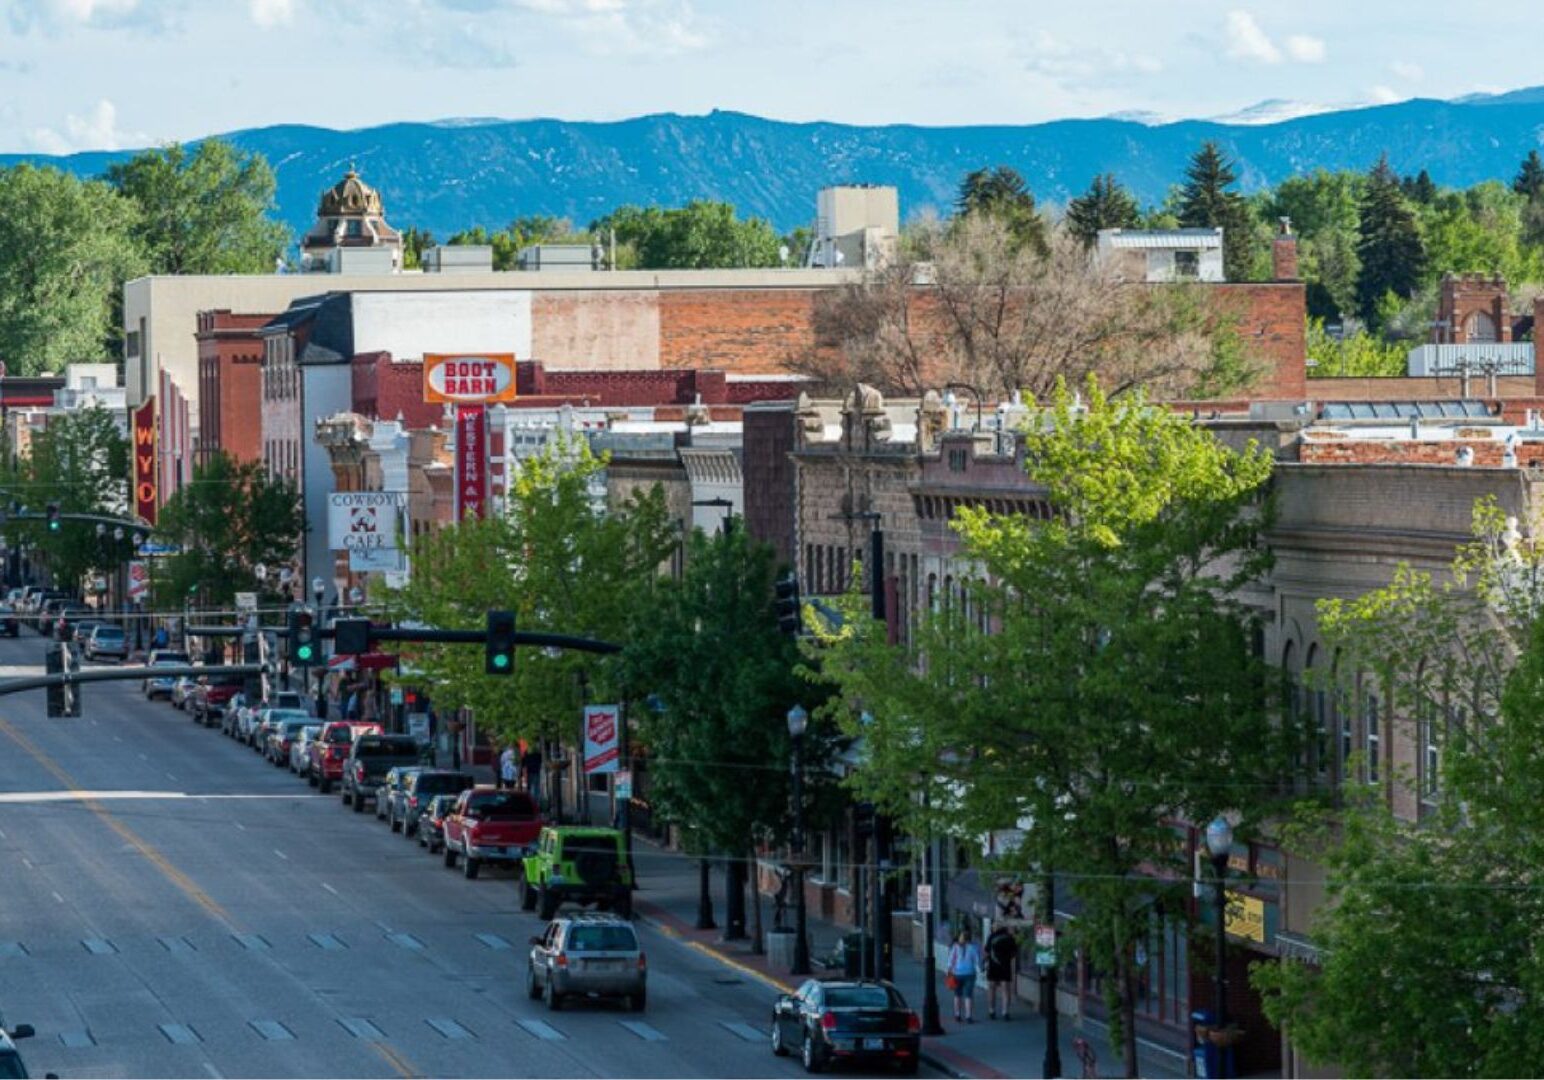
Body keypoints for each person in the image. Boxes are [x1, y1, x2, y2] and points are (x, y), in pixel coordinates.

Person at [946, 927, 983, 1023]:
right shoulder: (974, 947)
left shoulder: (955, 947)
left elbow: (950, 961)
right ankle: (968, 1016)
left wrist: (949, 972)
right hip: (970, 973)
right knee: (968, 995)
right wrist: (981, 970)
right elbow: (977, 961)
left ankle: (957, 1015)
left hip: (957, 973)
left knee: (957, 995)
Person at [985, 922, 1018, 1020]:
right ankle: (1005, 1012)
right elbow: (1014, 953)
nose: (992, 927)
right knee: (1005, 989)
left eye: (993, 926)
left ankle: (991, 1010)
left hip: (993, 966)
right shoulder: (1010, 937)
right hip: (1005, 966)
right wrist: (1007, 959)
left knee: (992, 988)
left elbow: (986, 952)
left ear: (996, 927)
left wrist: (986, 962)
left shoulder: (991, 937)